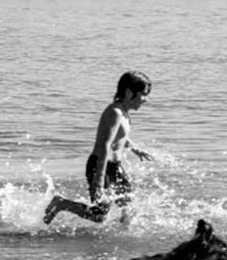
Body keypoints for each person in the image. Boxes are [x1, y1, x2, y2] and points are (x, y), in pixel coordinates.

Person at [43, 71, 153, 225]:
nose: (145, 100)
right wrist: (99, 180)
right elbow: (105, 145)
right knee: (99, 215)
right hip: (100, 165)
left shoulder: (124, 113)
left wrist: (134, 148)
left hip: (115, 167)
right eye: (143, 94)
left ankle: (121, 240)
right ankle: (62, 203)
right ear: (129, 92)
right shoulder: (114, 112)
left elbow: (119, 137)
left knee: (128, 206)